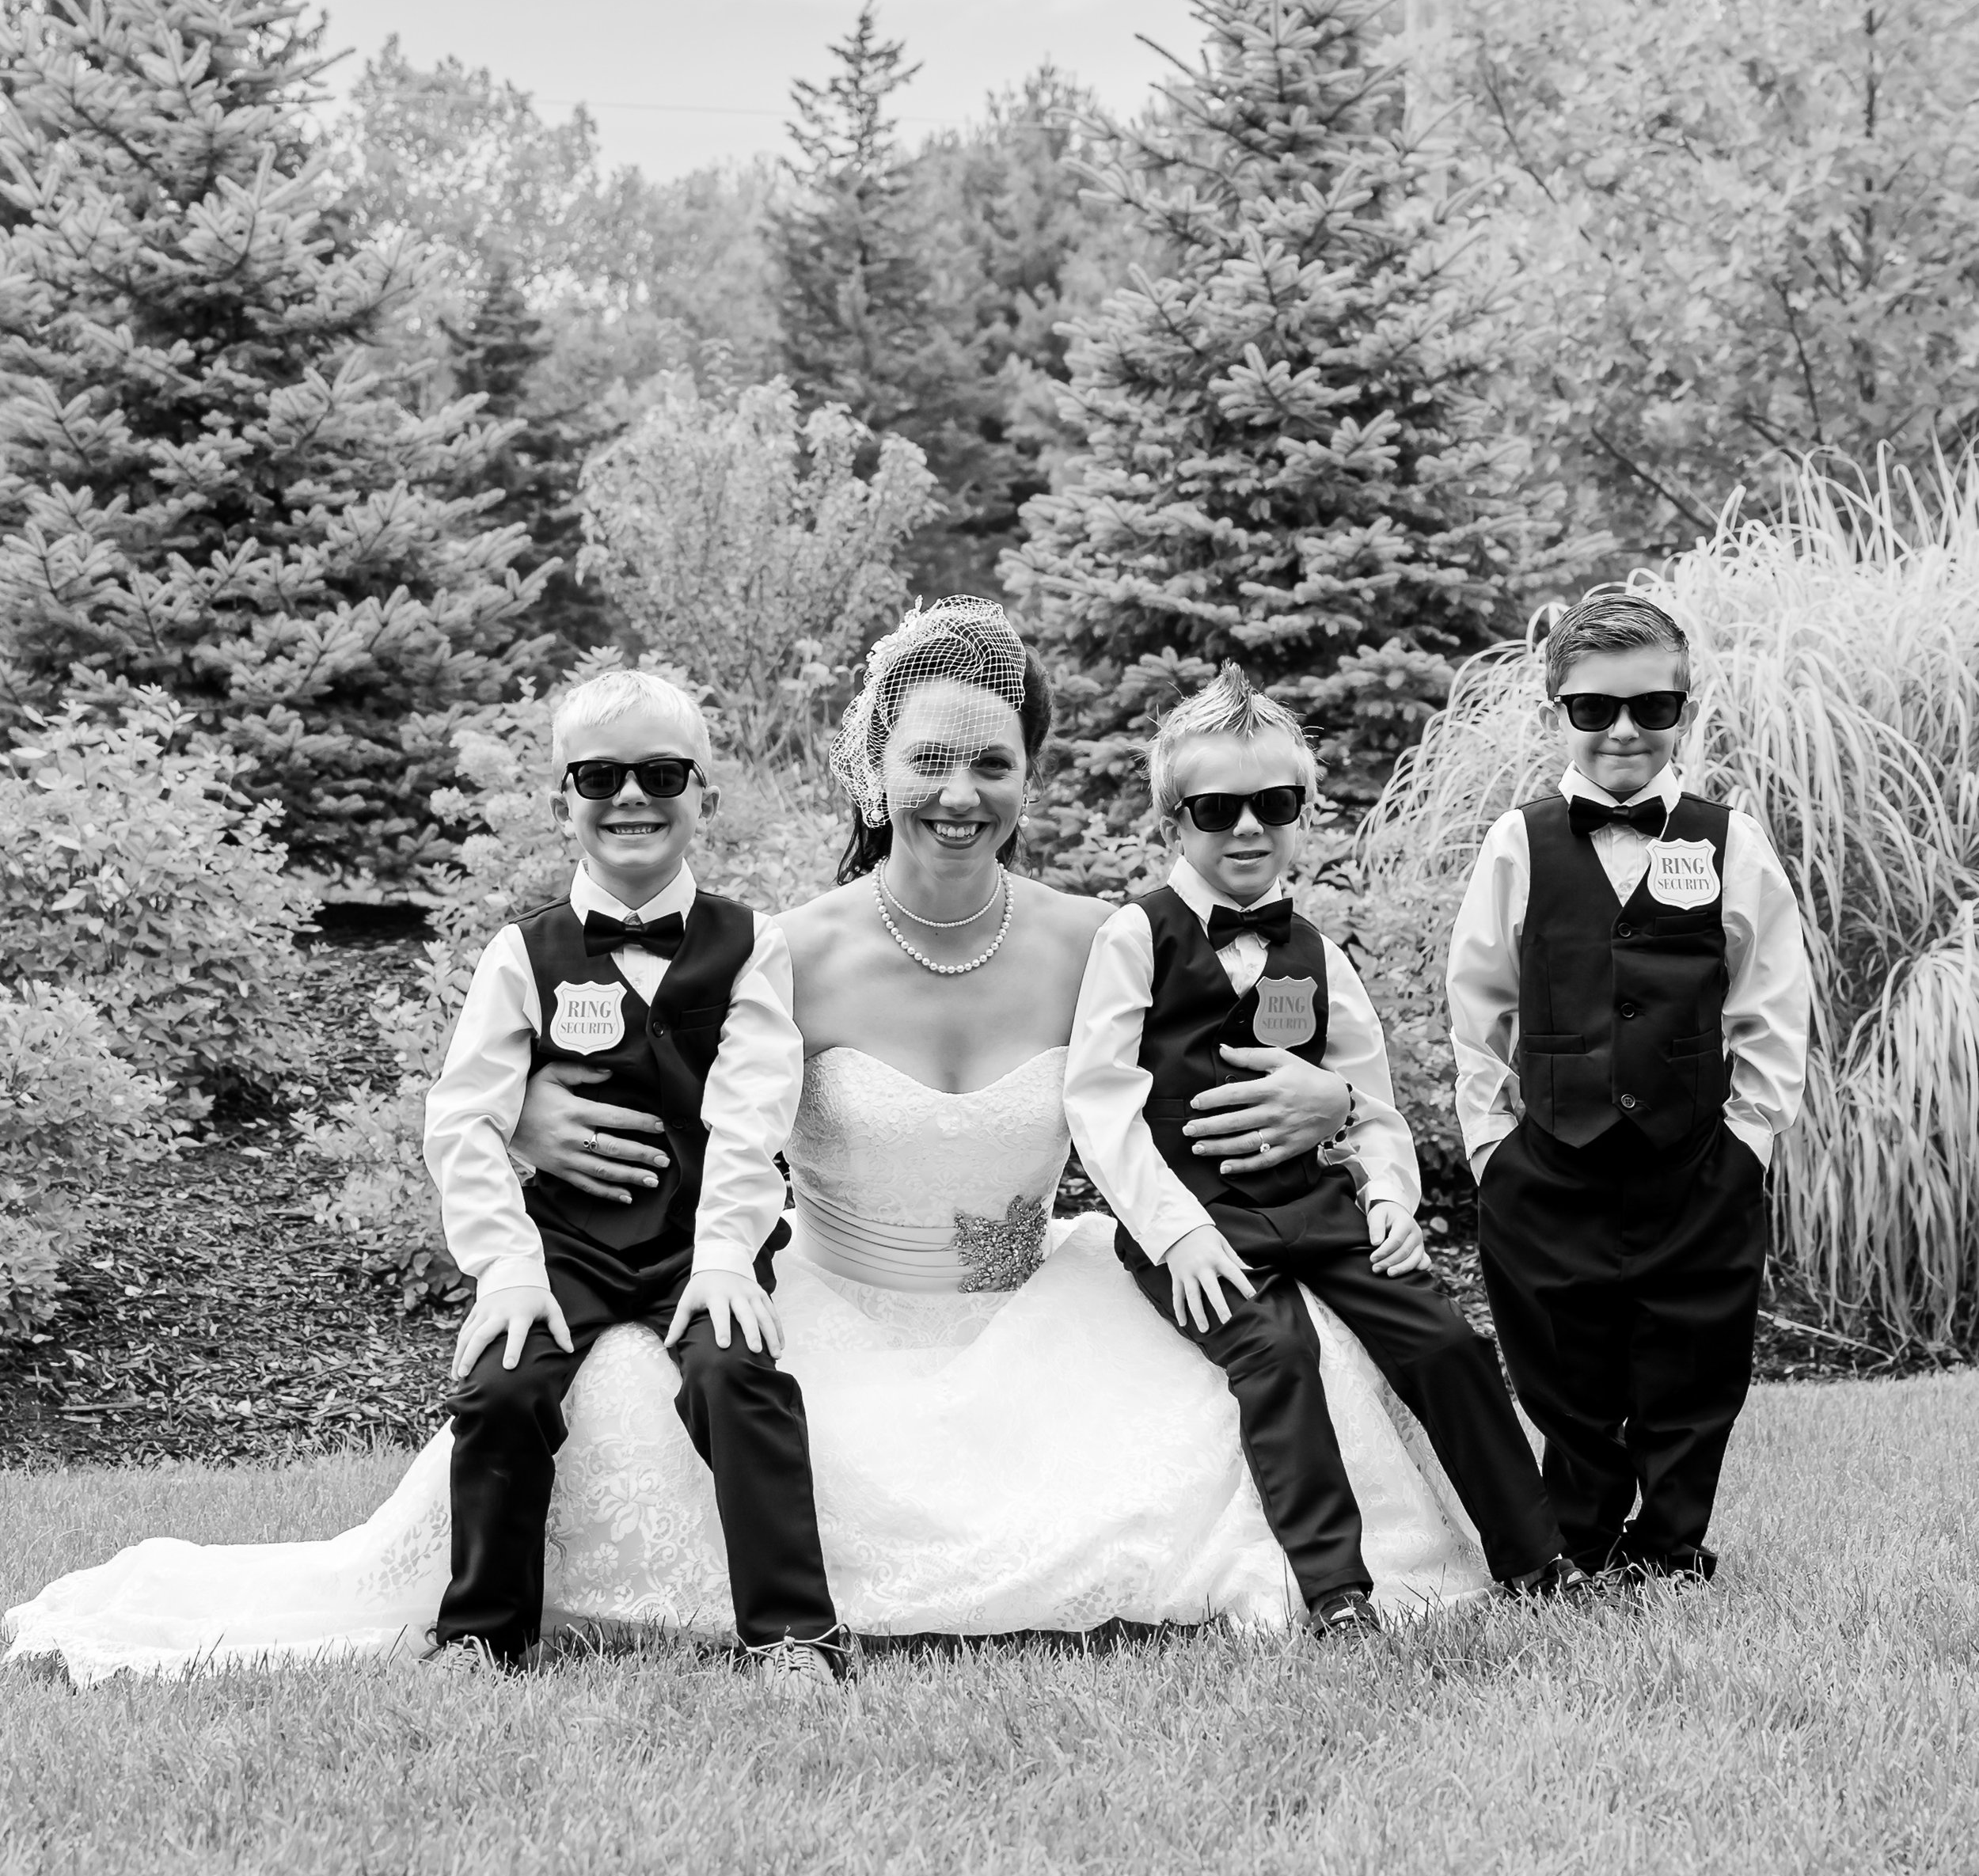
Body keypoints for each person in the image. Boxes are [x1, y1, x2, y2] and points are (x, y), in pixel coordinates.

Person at [3, 604, 1492, 1684]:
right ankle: (537, 1613)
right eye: (928, 760)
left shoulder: (1104, 939)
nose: (959, 793)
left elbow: (1187, 1087)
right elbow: (694, 1094)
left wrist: (1339, 1112)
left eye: (991, 762)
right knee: (641, 1396)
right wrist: (525, 1112)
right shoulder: (790, 948)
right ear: (873, 773)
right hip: (840, 1308)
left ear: (1030, 779)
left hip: (1043, 1303)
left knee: (1283, 1359)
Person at [1064, 664, 1580, 1640]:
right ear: (1173, 822)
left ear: (1302, 813)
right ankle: (1336, 1589)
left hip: (1317, 1208)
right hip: (1200, 1219)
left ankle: (1535, 1556)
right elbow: (1099, 1103)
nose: (1246, 828)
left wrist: (1387, 1199)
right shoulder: (1135, 937)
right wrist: (1175, 1234)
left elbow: (1368, 1105)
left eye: (1274, 804)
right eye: (1216, 809)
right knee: (1275, 1352)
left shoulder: (1318, 954)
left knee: (1445, 1341)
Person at [421, 667, 845, 1687]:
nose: (629, 797)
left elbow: (751, 1116)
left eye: (661, 773)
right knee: (502, 1387)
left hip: (701, 1236)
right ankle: (481, 1634)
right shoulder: (521, 955)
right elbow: (463, 1117)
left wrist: (727, 1257)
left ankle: (793, 1636)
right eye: (597, 776)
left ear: (706, 795)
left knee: (736, 1376)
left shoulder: (751, 945)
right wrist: (508, 1270)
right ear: (558, 802)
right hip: (565, 1243)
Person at [1445, 592, 1810, 1582]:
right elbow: (1478, 1006)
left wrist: (1747, 1144)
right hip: (1548, 1159)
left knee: (1695, 1358)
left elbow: (1771, 1006)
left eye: (1652, 707)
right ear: (1556, 709)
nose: (1622, 731)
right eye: (1593, 708)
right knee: (1560, 1364)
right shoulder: (1518, 843)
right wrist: (1492, 1148)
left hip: (1694, 1162)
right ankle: (1579, 1535)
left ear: (1682, 710)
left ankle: (1668, 1545)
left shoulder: (1729, 841)